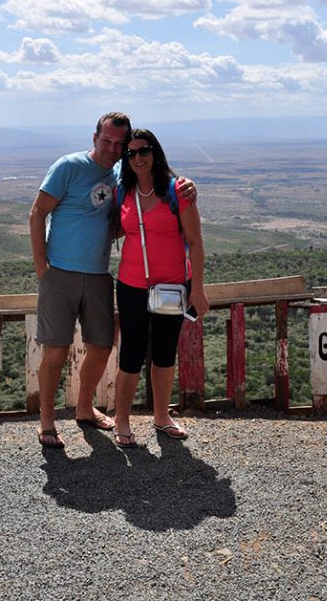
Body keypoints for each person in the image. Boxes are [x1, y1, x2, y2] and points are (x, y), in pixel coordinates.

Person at [29, 113, 197, 448]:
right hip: (60, 272)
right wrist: (41, 268)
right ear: (95, 139)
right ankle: (47, 421)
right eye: (107, 141)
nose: (114, 149)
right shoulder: (69, 166)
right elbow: (37, 212)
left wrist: (188, 183)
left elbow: (156, 178)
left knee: (102, 347)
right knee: (57, 349)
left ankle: (84, 408)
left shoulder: (122, 171)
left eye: (120, 144)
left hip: (100, 275)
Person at [112, 129, 209, 448]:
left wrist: (198, 290)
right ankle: (122, 420)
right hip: (131, 285)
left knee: (165, 353)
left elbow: (195, 242)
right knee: (131, 354)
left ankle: (161, 416)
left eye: (144, 150)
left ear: (155, 153)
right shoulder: (122, 191)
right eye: (131, 153)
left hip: (172, 287)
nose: (138, 157)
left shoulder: (177, 190)